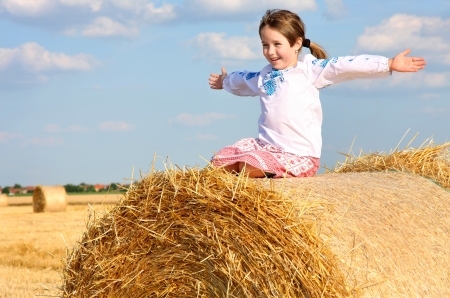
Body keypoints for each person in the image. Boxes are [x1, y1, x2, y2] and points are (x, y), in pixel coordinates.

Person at [208, 9, 426, 179]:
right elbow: (243, 80)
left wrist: (387, 63)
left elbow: (346, 66)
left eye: (277, 44)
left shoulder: (309, 70)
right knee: (219, 163)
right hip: (265, 147)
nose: (270, 52)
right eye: (265, 45)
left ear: (296, 44)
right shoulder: (265, 76)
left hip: (298, 155)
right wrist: (224, 82)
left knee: (246, 167)